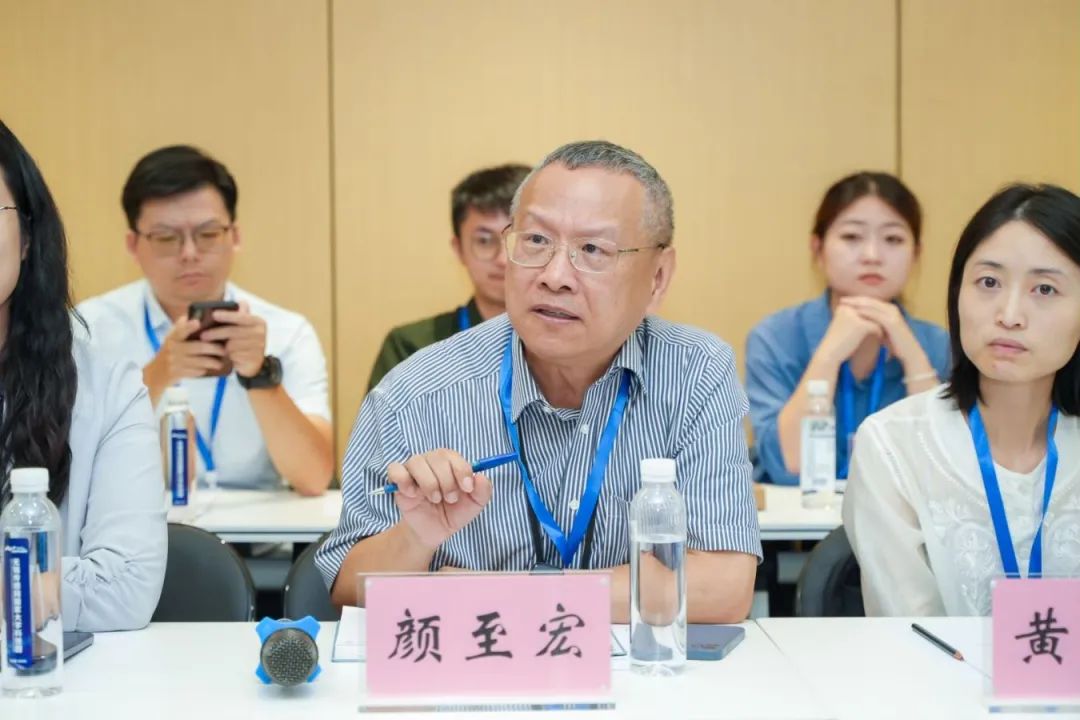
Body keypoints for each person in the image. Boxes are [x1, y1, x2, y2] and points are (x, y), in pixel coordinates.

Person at [317, 140, 761, 623]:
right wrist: (415, 539)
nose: (554, 275)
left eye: (592, 250)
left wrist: (500, 593)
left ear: (657, 277)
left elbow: (722, 587)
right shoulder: (415, 393)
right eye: (535, 241)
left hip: (636, 668)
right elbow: (348, 586)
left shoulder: (696, 373)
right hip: (474, 664)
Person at [845, 183, 1080, 616]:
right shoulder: (893, 445)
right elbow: (908, 631)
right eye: (988, 282)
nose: (1009, 315)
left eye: (1045, 289)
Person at [77, 146, 333, 494]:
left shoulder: (287, 332)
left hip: (258, 527)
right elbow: (74, 463)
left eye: (208, 234)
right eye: (166, 238)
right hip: (138, 522)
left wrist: (259, 376)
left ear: (235, 237)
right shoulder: (90, 328)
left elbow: (314, 479)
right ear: (133, 245)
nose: (189, 253)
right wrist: (158, 374)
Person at [0, 119, 166, 631]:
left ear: (27, 238)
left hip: (39, 672)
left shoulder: (105, 386)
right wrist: (34, 583)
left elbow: (126, 586)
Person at [746, 172, 951, 485]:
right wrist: (828, 356)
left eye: (893, 239)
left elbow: (946, 468)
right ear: (818, 248)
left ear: (916, 254)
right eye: (852, 237)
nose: (872, 256)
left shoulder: (939, 344)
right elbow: (789, 465)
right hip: (800, 517)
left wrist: (914, 359)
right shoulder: (775, 337)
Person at [367, 163, 530, 390]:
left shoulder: (569, 341)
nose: (503, 259)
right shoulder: (412, 347)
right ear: (459, 249)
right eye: (484, 240)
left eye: (518, 239)